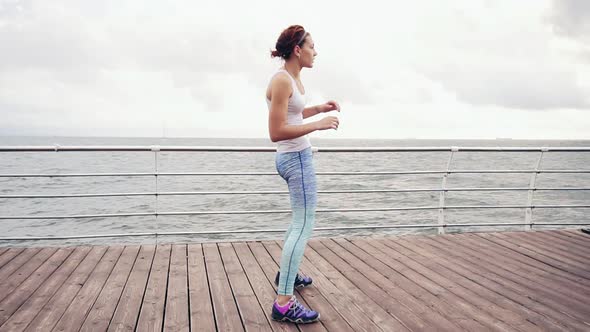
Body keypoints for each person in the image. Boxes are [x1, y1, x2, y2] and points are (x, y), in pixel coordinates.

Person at [266, 24, 340, 324]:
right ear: (298, 49)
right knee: (304, 225)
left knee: (298, 222)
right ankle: (283, 303)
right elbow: (276, 131)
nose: (315, 51)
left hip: (294, 157)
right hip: (295, 158)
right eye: (311, 46)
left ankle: (287, 274)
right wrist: (318, 126)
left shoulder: (291, 78)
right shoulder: (282, 80)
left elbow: (292, 115)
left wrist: (318, 109)